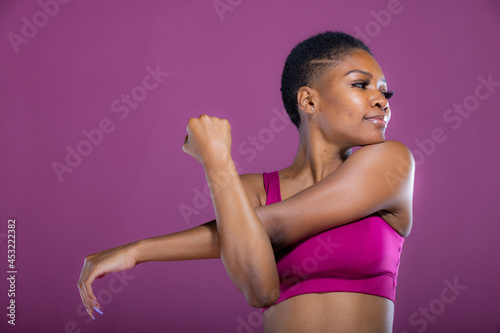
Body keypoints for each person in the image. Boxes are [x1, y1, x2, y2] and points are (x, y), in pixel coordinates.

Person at [78, 31, 414, 332]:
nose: (381, 100)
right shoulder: (253, 191)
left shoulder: (390, 163)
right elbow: (260, 291)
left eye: (386, 92)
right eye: (361, 84)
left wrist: (141, 250)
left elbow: (273, 228)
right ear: (309, 101)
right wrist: (218, 168)